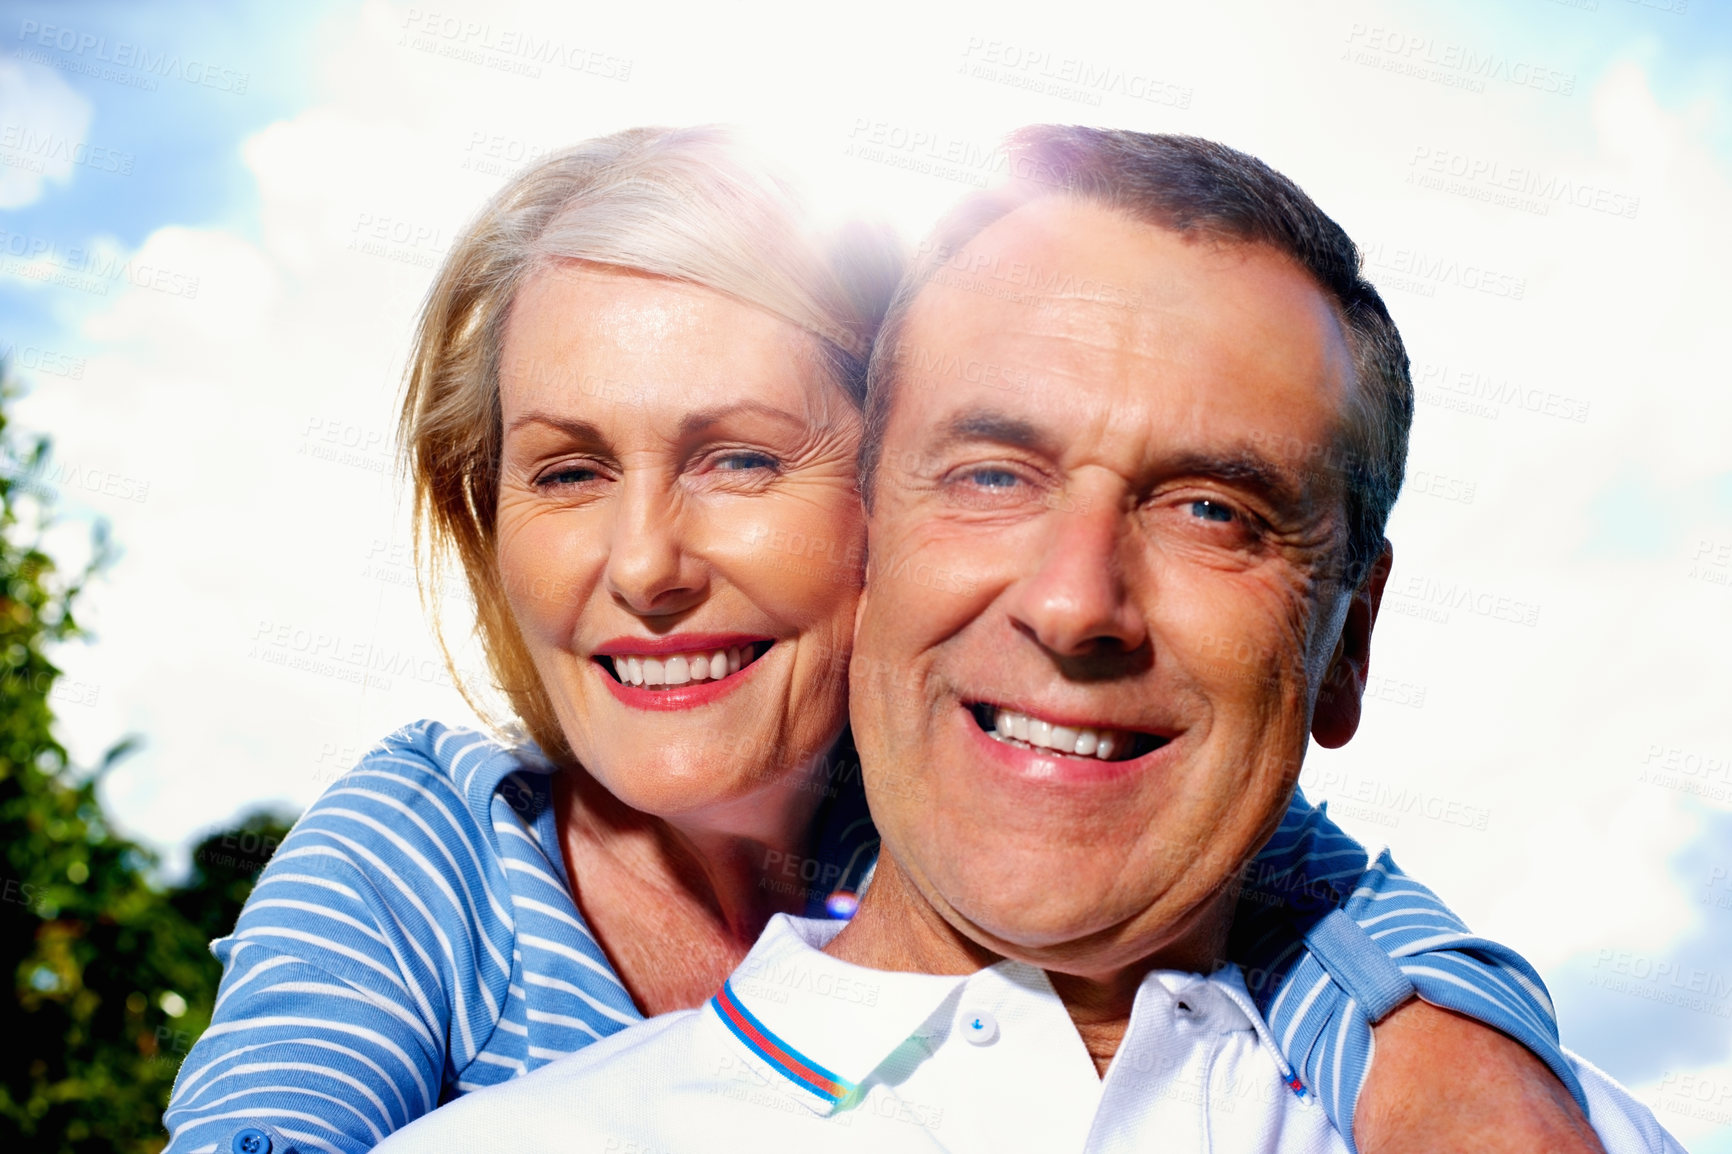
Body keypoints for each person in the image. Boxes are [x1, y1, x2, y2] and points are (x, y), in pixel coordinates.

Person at [166, 126, 1605, 1154]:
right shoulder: (426, 844)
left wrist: (1457, 1071)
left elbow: (1310, 881)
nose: (648, 563)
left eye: (739, 460)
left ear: (884, 507)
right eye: (566, 471)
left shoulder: (992, 815)